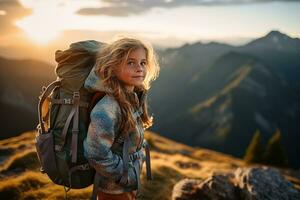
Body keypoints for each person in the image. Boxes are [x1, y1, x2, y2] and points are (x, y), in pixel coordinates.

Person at [83, 36, 160, 200]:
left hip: (127, 184)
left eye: (143, 62)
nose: (139, 68)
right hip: (113, 190)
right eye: (130, 62)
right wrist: (124, 175)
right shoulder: (107, 108)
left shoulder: (132, 97)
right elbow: (95, 153)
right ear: (113, 67)